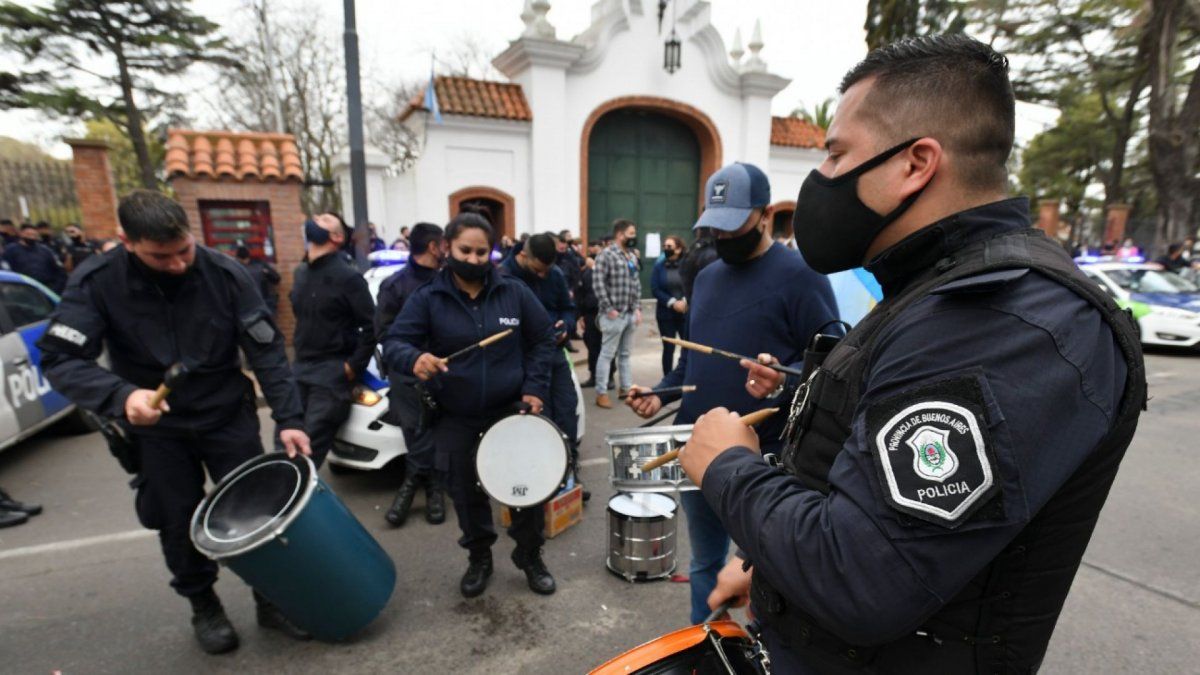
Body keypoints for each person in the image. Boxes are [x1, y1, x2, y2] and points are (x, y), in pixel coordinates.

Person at [682, 36, 1145, 673]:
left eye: (838, 153)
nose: (822, 179)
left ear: (915, 163)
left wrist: (730, 467)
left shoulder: (1005, 319)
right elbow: (855, 463)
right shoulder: (931, 291)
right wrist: (769, 572)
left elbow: (861, 577)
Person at [38, 189, 313, 654]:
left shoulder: (225, 274)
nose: (179, 264)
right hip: (157, 427)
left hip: (226, 414)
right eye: (161, 256)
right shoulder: (97, 281)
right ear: (127, 242)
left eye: (184, 249)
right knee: (176, 518)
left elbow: (266, 352)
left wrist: (289, 418)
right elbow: (60, 358)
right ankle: (203, 603)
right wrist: (122, 396)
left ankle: (271, 597)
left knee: (256, 510)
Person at [626, 162, 840, 626]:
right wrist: (661, 395)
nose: (722, 237)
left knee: (766, 571)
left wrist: (783, 380)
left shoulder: (801, 275)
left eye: (734, 224)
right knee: (706, 563)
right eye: (714, 226)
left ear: (764, 215)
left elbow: (836, 365)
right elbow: (691, 364)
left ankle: (764, 653)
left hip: (766, 459)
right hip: (700, 448)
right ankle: (709, 650)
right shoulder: (706, 277)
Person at [383, 210, 559, 598]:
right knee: (465, 494)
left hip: (510, 412)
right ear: (447, 248)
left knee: (525, 490)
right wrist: (415, 359)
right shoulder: (427, 298)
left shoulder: (514, 292)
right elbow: (394, 343)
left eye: (483, 253)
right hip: (455, 416)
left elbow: (543, 340)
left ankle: (529, 555)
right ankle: (479, 556)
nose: (475, 260)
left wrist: (534, 388)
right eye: (466, 251)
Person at [500, 233, 586, 497]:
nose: (542, 276)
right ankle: (544, 480)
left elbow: (568, 308)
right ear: (524, 256)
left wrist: (566, 326)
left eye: (547, 271)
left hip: (555, 354)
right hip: (524, 360)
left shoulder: (555, 274)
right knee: (540, 419)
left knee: (566, 411)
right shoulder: (503, 278)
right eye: (538, 270)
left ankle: (569, 473)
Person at [290, 214, 377, 468]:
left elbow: (371, 327)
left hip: (330, 375)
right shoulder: (301, 272)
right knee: (286, 445)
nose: (315, 219)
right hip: (300, 370)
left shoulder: (348, 277)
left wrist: (352, 366)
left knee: (305, 455)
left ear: (337, 237)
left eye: (325, 219)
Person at [377, 222, 447, 527]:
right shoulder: (394, 285)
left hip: (444, 373)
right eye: (443, 244)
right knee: (417, 432)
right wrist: (414, 358)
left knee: (435, 433)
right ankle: (431, 490)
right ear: (434, 247)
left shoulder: (449, 282)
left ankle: (414, 487)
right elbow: (384, 334)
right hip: (406, 374)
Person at [592, 219, 641, 408]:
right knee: (607, 354)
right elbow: (598, 283)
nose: (633, 237)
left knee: (625, 354)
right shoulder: (606, 255)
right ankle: (601, 393)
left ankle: (626, 388)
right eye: (631, 233)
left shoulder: (631, 256)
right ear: (620, 235)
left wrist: (636, 308)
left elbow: (636, 283)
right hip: (613, 315)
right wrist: (608, 308)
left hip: (629, 314)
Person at [650, 235, 689, 375]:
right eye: (664, 246)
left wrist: (684, 301)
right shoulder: (659, 266)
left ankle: (685, 374)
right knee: (668, 348)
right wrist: (672, 303)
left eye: (669, 246)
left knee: (687, 346)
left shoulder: (687, 265)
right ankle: (667, 379)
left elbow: (693, 284)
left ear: (678, 249)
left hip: (685, 312)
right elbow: (655, 289)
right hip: (665, 314)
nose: (666, 249)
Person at [3, 222, 65, 292]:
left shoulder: (46, 250)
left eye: (34, 235)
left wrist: (55, 288)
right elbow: (6, 270)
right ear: (21, 234)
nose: (31, 237)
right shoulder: (11, 250)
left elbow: (59, 271)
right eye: (28, 234)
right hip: (22, 289)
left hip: (47, 288)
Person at [577, 254, 604, 388]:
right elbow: (581, 294)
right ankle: (593, 375)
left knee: (606, 347)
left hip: (605, 313)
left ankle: (608, 376)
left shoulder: (607, 272)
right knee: (592, 346)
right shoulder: (586, 274)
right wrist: (581, 316)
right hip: (590, 314)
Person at [235, 246, 281, 315]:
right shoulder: (260, 264)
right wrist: (267, 272)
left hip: (249, 306)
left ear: (238, 258)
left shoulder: (236, 269)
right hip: (264, 303)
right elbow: (276, 279)